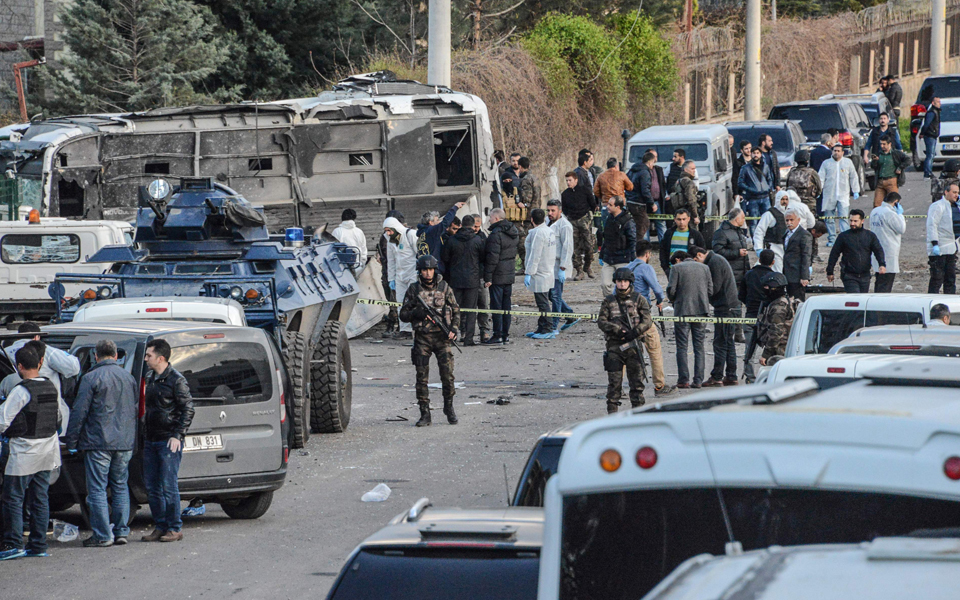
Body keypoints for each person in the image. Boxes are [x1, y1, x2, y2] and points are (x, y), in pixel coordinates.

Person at [64, 339, 138, 547]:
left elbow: (80, 412)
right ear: (116, 356)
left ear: (96, 356)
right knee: (120, 486)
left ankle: (103, 535)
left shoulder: (90, 378)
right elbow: (132, 409)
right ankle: (121, 531)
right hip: (123, 442)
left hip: (98, 442)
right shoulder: (128, 377)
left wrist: (71, 440)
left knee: (97, 489)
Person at [0, 346, 65, 561]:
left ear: (19, 366)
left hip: (23, 453)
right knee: (40, 499)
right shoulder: (50, 387)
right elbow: (57, 420)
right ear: (39, 363)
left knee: (13, 499)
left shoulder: (21, 390)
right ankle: (38, 544)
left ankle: (13, 543)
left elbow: (3, 421)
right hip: (47, 451)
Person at [140, 339, 193, 543]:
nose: (146, 359)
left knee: (168, 485)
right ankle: (160, 526)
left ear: (160, 358)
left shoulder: (176, 380)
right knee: (152, 487)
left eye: (149, 356)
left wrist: (177, 434)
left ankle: (174, 527)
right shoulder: (151, 376)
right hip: (152, 439)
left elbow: (188, 408)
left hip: (167, 440)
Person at [399, 255, 460, 427]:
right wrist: (414, 314)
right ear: (420, 271)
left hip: (442, 339)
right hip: (422, 339)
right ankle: (425, 413)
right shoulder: (413, 289)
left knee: (447, 376)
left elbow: (456, 310)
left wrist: (454, 329)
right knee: (421, 378)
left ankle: (449, 407)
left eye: (430, 269)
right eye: (424, 270)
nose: (427, 273)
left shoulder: (444, 287)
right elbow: (403, 315)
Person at [597, 268, 653, 413]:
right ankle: (613, 419)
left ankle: (638, 417)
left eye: (625, 281)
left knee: (637, 386)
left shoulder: (639, 299)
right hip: (615, 347)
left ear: (630, 282)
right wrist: (617, 330)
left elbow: (647, 321)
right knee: (614, 386)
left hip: (634, 347)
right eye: (619, 281)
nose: (622, 284)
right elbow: (602, 322)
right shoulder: (609, 301)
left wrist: (635, 331)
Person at [626, 241, 674, 397]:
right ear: (648, 254)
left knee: (625, 350)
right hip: (643, 316)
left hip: (626, 316)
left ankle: (618, 386)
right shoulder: (646, 268)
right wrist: (660, 300)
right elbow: (658, 289)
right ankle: (659, 385)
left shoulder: (626, 268)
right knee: (654, 349)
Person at [693, 247, 739, 387]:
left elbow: (715, 287)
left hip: (725, 308)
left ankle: (717, 376)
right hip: (729, 306)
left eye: (696, 260)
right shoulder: (715, 259)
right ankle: (731, 375)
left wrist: (700, 292)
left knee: (720, 343)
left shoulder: (714, 262)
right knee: (728, 343)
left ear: (700, 255)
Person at [667, 250, 712, 389]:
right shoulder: (705, 268)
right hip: (701, 311)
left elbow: (671, 290)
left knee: (682, 346)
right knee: (699, 347)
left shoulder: (676, 268)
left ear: (678, 260)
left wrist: (674, 300)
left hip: (682, 311)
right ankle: (698, 380)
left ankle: (683, 380)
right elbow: (710, 290)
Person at [441, 214, 485, 345]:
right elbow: (483, 259)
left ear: (461, 225)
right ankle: (469, 339)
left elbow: (445, 258)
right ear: (472, 226)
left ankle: (450, 336)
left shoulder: (452, 240)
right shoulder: (477, 240)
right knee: (471, 310)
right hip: (472, 280)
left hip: (455, 280)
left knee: (453, 310)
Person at [5, 322, 81, 397]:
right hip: (48, 402)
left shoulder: (4, 352)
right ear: (36, 337)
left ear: (18, 337)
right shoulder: (47, 351)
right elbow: (74, 368)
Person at [712, 208, 750, 340]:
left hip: (741, 275)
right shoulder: (721, 233)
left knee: (739, 305)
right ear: (737, 219)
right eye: (743, 217)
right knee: (731, 306)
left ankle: (738, 333)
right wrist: (737, 253)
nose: (744, 220)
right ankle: (730, 333)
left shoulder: (739, 232)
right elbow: (717, 253)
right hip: (730, 275)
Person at [827, 209, 886, 293]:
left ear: (862, 221)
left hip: (865, 275)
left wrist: (882, 264)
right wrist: (830, 271)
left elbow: (878, 250)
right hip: (849, 275)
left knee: (862, 301)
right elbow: (834, 254)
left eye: (855, 221)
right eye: (851, 220)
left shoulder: (870, 236)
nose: (852, 223)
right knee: (855, 299)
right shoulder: (843, 237)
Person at [741, 249, 776, 383]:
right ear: (773, 262)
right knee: (772, 348)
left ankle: (750, 377)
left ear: (759, 260)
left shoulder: (749, 274)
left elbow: (741, 295)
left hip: (751, 315)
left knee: (749, 350)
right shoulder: (774, 277)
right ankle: (771, 376)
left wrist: (750, 304)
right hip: (768, 318)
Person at [523, 208, 558, 339]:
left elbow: (535, 255)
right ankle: (541, 327)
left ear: (532, 219)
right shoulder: (549, 231)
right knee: (542, 301)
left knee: (542, 303)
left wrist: (529, 272)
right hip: (547, 270)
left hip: (540, 273)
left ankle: (548, 328)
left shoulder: (539, 233)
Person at [383, 214, 419, 338]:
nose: (388, 233)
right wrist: (391, 278)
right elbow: (391, 260)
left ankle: (416, 328)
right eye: (386, 231)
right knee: (400, 302)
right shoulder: (390, 240)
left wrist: (421, 273)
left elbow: (420, 253)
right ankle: (405, 329)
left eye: (389, 230)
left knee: (415, 302)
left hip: (413, 273)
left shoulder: (411, 235)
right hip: (400, 275)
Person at [819, 144, 860, 246]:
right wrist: (818, 191)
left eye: (838, 151)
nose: (836, 153)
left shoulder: (847, 163)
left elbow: (853, 177)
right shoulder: (826, 163)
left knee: (844, 218)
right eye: (834, 151)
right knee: (829, 219)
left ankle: (845, 239)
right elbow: (821, 178)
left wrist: (855, 190)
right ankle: (832, 239)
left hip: (843, 195)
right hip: (829, 195)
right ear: (832, 152)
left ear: (842, 152)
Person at [561, 170, 597, 280]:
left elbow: (593, 204)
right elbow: (565, 209)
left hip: (584, 219)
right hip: (572, 221)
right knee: (574, 247)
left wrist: (588, 217)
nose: (568, 183)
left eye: (570, 180)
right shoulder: (565, 194)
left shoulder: (584, 190)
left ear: (576, 180)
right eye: (567, 180)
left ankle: (588, 266)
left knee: (589, 245)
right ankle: (579, 270)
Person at [547, 200, 576, 333]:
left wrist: (562, 268)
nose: (550, 213)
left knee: (555, 295)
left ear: (560, 211)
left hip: (559, 265)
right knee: (551, 295)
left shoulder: (565, 226)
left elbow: (568, 247)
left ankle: (554, 325)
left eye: (553, 211)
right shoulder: (549, 223)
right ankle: (569, 315)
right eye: (548, 210)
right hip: (550, 264)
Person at [926, 182, 960, 294]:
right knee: (937, 279)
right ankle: (931, 302)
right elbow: (932, 225)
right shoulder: (938, 206)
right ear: (946, 192)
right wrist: (935, 244)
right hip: (939, 249)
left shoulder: (955, 207)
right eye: (954, 192)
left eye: (958, 193)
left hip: (951, 248)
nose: (956, 195)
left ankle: (949, 303)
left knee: (950, 279)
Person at [599, 196, 637, 297]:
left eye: (611, 205)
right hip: (608, 258)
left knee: (623, 286)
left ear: (618, 207)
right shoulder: (609, 218)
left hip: (623, 259)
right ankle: (611, 303)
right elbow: (606, 238)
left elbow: (632, 240)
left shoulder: (628, 221)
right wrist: (601, 255)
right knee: (605, 284)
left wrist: (633, 258)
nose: (608, 207)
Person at [756, 272, 796, 366]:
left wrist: (766, 354)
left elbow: (775, 333)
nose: (765, 290)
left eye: (767, 287)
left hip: (779, 350)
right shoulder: (785, 301)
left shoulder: (779, 307)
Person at [870, 192, 906, 293]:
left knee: (879, 280)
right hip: (889, 250)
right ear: (896, 202)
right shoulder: (890, 213)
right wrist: (900, 215)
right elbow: (901, 228)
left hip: (876, 250)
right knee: (886, 282)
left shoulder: (875, 211)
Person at [377, 210, 404, 335]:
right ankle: (396, 326)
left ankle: (393, 326)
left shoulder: (394, 236)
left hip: (394, 273)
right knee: (393, 301)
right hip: (390, 273)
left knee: (394, 302)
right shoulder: (387, 237)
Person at [415, 201, 465, 268]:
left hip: (425, 267)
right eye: (437, 220)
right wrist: (455, 208)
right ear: (431, 222)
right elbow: (445, 222)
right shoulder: (432, 231)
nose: (439, 222)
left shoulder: (422, 233)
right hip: (433, 268)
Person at [659, 209, 705, 276]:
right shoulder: (669, 233)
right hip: (672, 269)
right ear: (675, 219)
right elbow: (662, 250)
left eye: (684, 219)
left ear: (688, 219)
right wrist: (665, 268)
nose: (681, 222)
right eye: (679, 219)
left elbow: (702, 252)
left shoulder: (696, 235)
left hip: (690, 270)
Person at [738, 147, 773, 234]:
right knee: (753, 222)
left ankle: (767, 241)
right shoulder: (745, 168)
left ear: (761, 154)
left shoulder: (765, 166)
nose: (755, 155)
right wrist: (751, 190)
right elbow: (740, 182)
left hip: (765, 197)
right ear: (751, 154)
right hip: (753, 199)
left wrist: (768, 188)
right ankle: (755, 243)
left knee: (768, 221)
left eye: (757, 153)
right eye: (754, 153)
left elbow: (770, 179)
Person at [868, 134, 909, 208]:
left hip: (892, 181)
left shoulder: (896, 153)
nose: (882, 146)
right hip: (880, 182)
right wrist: (875, 161)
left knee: (894, 204)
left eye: (884, 144)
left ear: (889, 144)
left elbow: (908, 160)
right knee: (877, 204)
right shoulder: (879, 154)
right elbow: (874, 167)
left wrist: (900, 167)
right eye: (881, 144)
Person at [782, 208, 813, 300]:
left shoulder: (804, 235)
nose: (789, 222)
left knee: (798, 300)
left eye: (791, 220)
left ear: (798, 220)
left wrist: (804, 276)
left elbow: (806, 256)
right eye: (787, 220)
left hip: (797, 274)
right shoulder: (787, 233)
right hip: (788, 272)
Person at [516, 156, 542, 265]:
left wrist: (522, 204)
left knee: (524, 241)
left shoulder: (526, 179)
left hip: (528, 215)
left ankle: (526, 264)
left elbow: (527, 197)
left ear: (520, 167)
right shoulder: (535, 177)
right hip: (537, 211)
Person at [470, 215, 491, 343]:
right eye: (474, 226)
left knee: (483, 305)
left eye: (478, 226)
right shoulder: (465, 238)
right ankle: (467, 332)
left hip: (481, 276)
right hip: (469, 277)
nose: (476, 229)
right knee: (468, 307)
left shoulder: (483, 238)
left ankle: (485, 331)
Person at [785, 149, 822, 215]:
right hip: (809, 203)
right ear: (807, 161)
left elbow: (787, 187)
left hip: (793, 203)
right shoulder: (812, 172)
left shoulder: (791, 172)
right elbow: (819, 188)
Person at [672, 160, 701, 225]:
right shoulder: (689, 182)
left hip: (679, 214)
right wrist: (695, 216)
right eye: (692, 169)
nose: (694, 171)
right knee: (693, 234)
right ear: (686, 169)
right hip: (688, 214)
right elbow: (691, 199)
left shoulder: (679, 181)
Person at [920, 97, 942, 179]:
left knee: (931, 155)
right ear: (933, 103)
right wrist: (922, 133)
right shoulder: (932, 112)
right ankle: (927, 173)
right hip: (930, 135)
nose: (940, 103)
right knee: (930, 155)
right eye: (938, 102)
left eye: (940, 102)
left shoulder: (936, 111)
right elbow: (926, 124)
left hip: (933, 135)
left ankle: (928, 172)